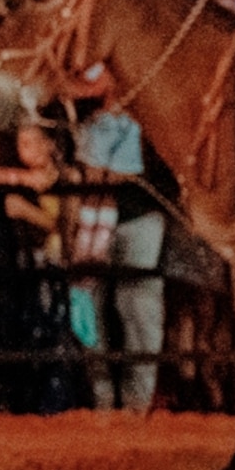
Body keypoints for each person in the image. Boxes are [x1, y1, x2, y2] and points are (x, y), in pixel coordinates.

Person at [72, 102, 167, 412]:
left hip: (139, 216)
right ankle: (102, 397)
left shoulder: (147, 100)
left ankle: (137, 401)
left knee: (138, 307)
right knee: (89, 304)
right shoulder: (82, 106)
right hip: (89, 217)